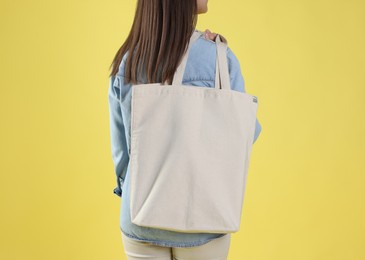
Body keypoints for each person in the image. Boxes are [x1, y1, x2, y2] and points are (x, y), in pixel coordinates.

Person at [108, 0, 262, 259]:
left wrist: (134, 190)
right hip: (204, 217)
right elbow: (247, 133)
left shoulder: (128, 61)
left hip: (140, 215)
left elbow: (123, 151)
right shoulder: (219, 57)